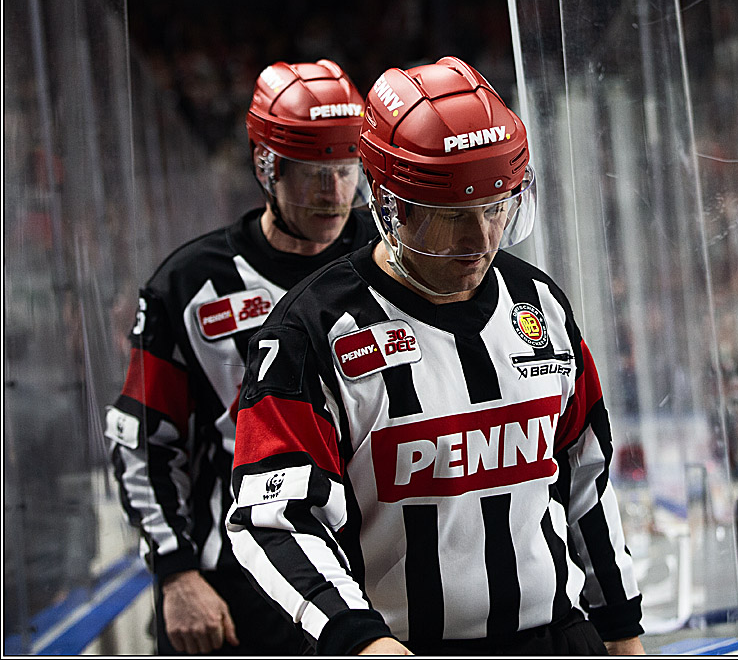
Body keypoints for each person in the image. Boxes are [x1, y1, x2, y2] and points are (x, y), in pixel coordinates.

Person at [227, 56, 645, 655]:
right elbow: (272, 521)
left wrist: (622, 627)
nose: (481, 241)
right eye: (452, 217)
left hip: (557, 639)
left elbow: (588, 482)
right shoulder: (308, 332)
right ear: (392, 207)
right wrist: (359, 641)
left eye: (496, 206)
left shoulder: (540, 304)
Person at [105, 58, 377, 655]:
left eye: (346, 169)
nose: (334, 194)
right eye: (310, 173)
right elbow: (141, 439)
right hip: (237, 586)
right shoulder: (187, 284)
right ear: (266, 165)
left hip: (372, 576)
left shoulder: (391, 260)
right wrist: (176, 575)